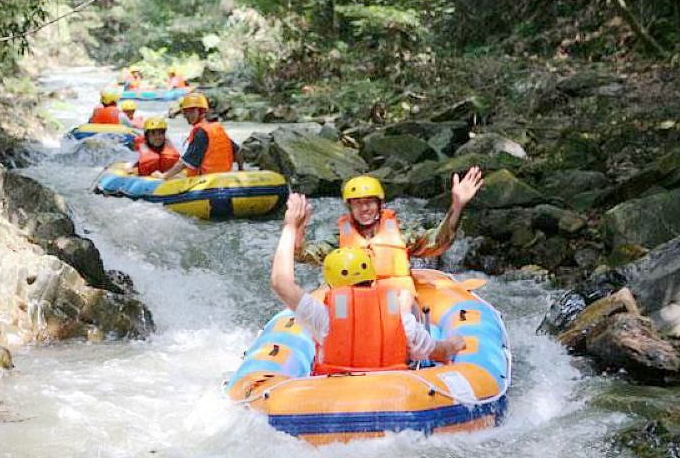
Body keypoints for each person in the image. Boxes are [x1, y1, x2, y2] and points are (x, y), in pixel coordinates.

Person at [271, 193, 465, 373]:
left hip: (334, 395)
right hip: (395, 392)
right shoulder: (401, 319)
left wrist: (291, 226)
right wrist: (455, 343)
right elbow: (441, 352)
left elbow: (281, 282)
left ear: (331, 285)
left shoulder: (322, 318)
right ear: (372, 278)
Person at [295, 169, 484, 293]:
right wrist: (297, 228)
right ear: (350, 208)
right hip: (356, 303)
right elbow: (302, 254)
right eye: (357, 204)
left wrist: (457, 206)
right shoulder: (338, 242)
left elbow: (438, 242)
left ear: (380, 204)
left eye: (369, 202)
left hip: (397, 302)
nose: (364, 208)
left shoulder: (402, 234)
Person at [156, 92, 245, 179]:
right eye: (186, 112)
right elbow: (238, 151)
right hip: (222, 178)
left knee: (175, 174)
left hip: (204, 181)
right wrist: (241, 170)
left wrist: (165, 176)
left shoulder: (201, 132)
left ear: (202, 111)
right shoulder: (217, 128)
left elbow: (185, 162)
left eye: (191, 111)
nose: (187, 115)